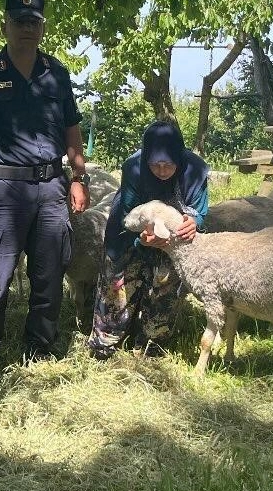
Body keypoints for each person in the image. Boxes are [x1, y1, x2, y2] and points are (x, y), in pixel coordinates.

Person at [0, 0, 90, 379]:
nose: (27, 28)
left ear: (42, 27)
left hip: (51, 188)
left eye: (34, 22)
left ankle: (40, 347)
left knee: (49, 273)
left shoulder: (56, 74)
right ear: (5, 26)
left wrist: (78, 177)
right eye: (19, 21)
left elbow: (71, 127)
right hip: (2, 189)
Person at [86, 120, 209, 359]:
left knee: (166, 284)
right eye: (155, 165)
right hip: (130, 230)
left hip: (174, 236)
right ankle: (106, 343)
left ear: (179, 158)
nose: (162, 171)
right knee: (119, 286)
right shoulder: (134, 168)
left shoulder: (195, 170)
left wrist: (193, 222)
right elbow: (128, 213)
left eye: (168, 165)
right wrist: (141, 239)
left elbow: (199, 209)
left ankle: (151, 344)